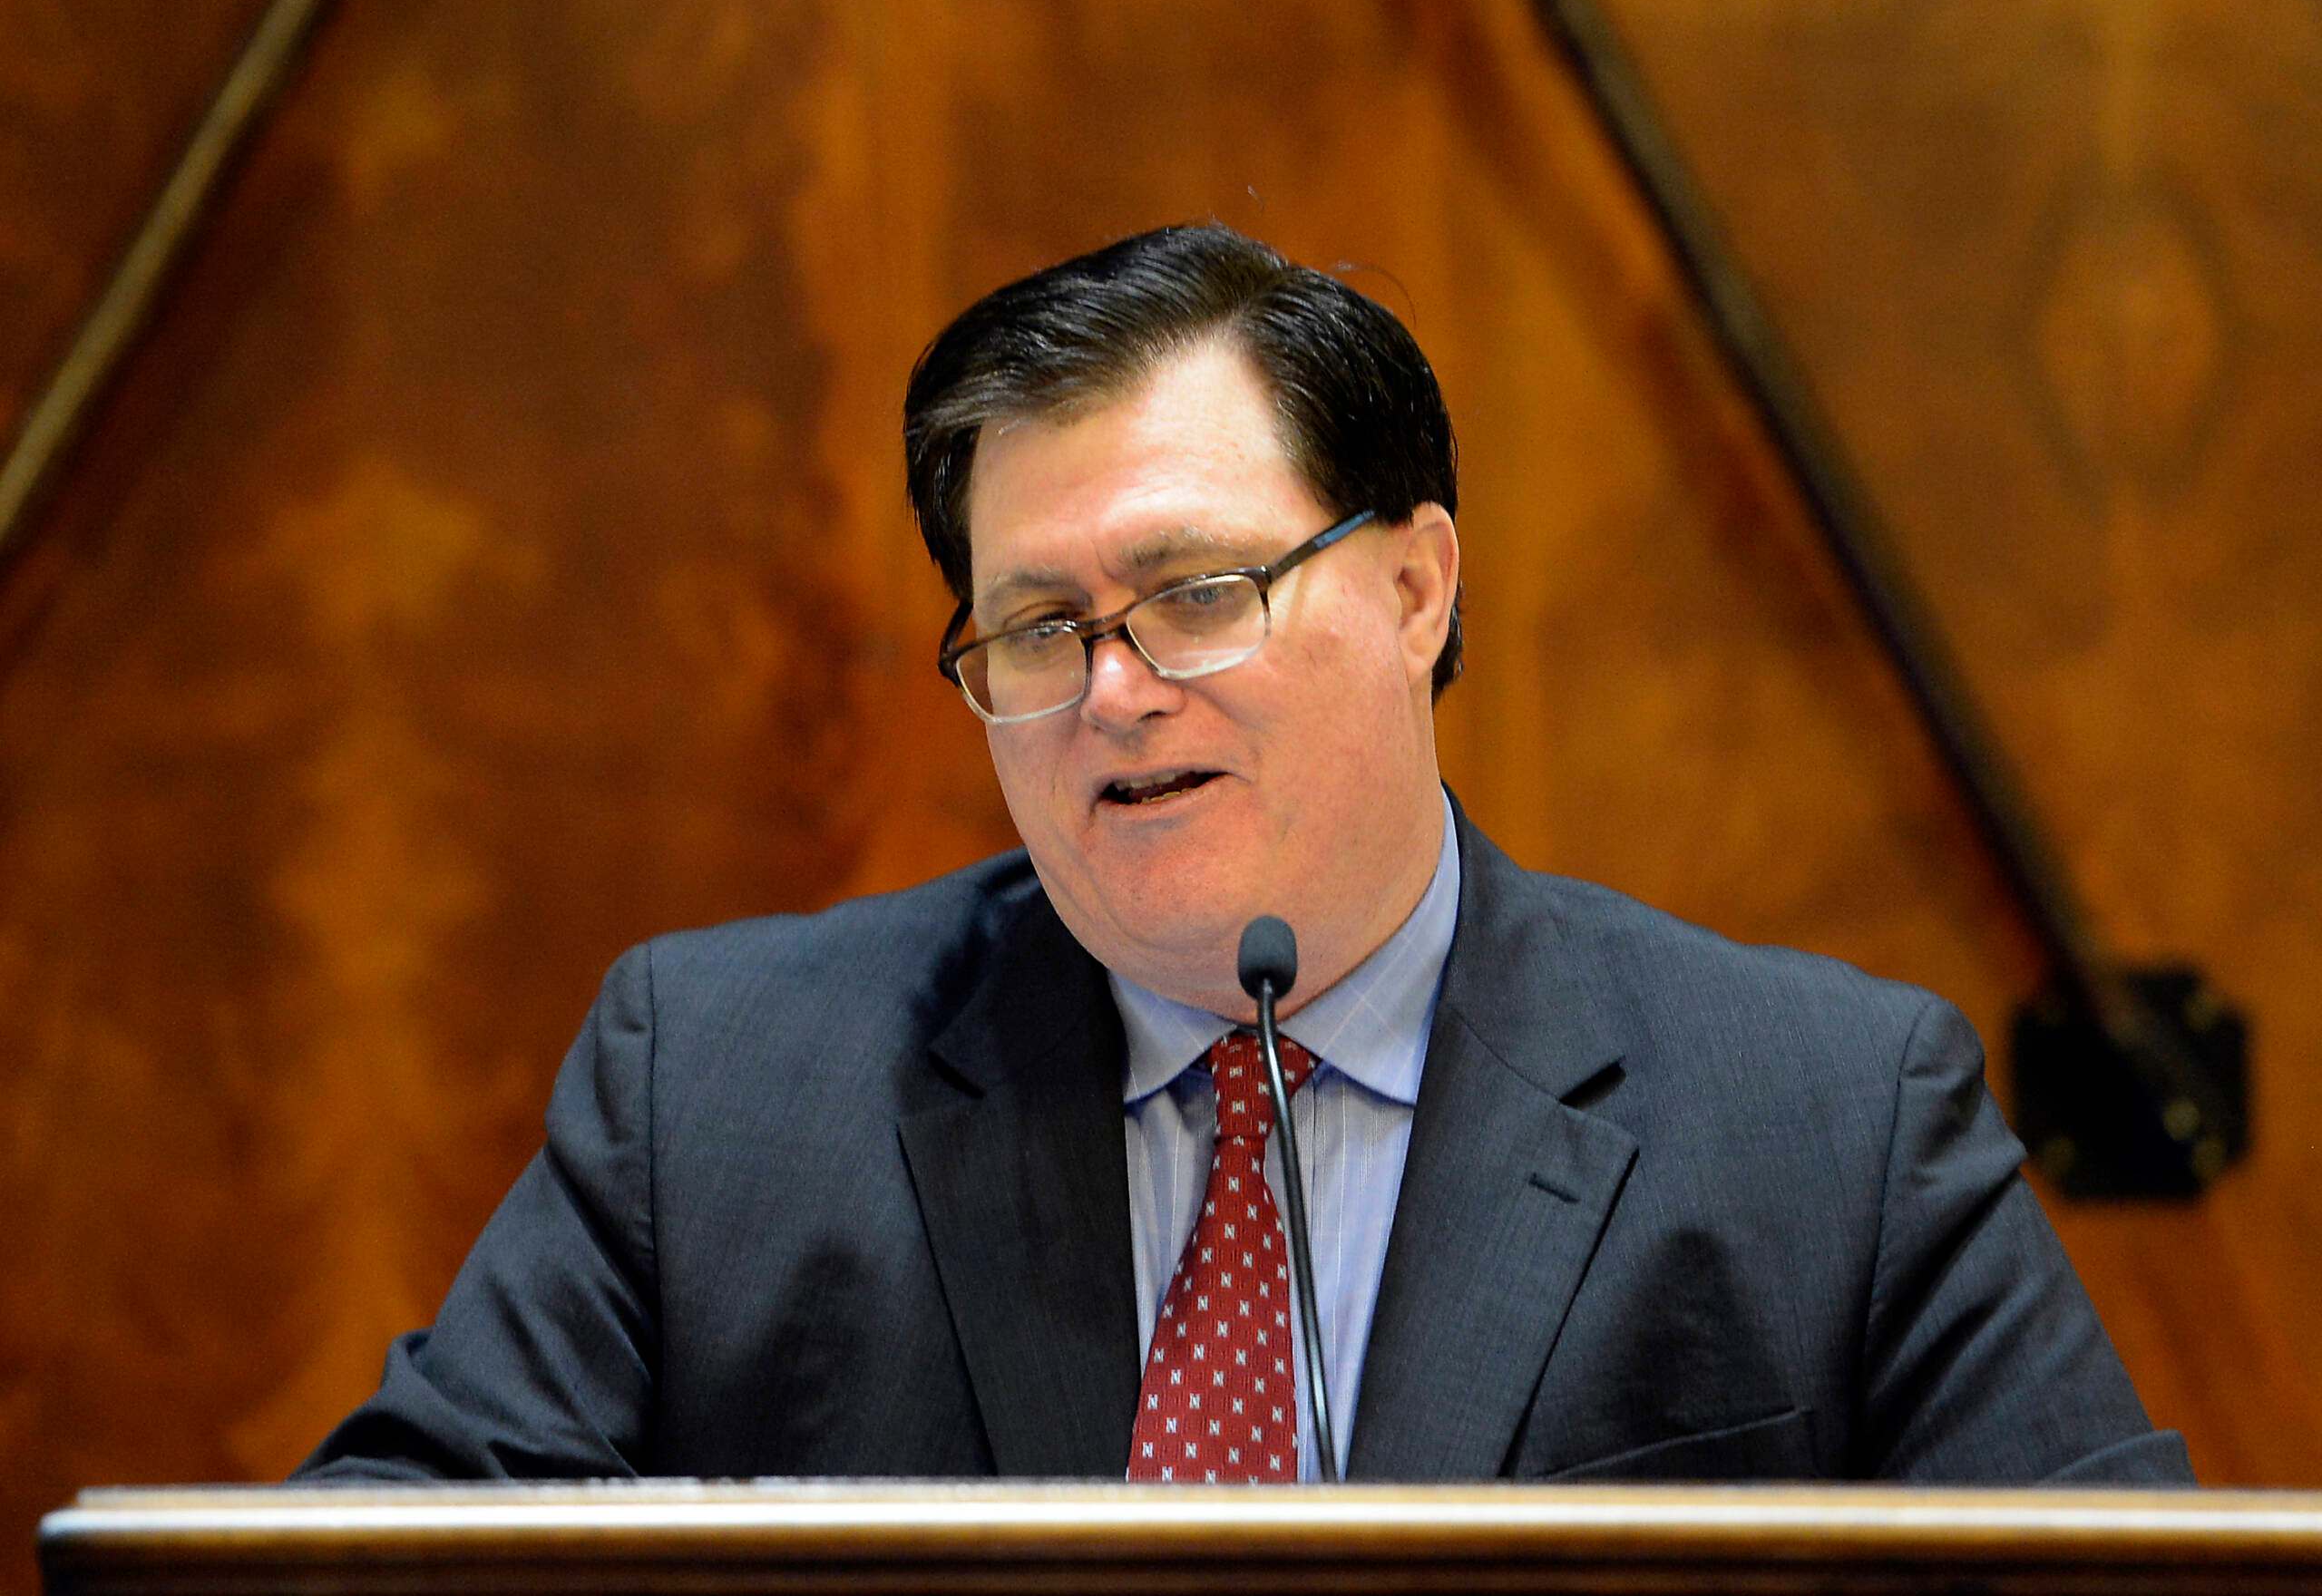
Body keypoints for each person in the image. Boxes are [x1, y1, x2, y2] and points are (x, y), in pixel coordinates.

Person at [298, 224, 2190, 1484]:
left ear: (1412, 583)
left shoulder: (1826, 1123)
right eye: (1035, 628)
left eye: (1195, 595)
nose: (1110, 692)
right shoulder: (715, 1091)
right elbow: (365, 1562)